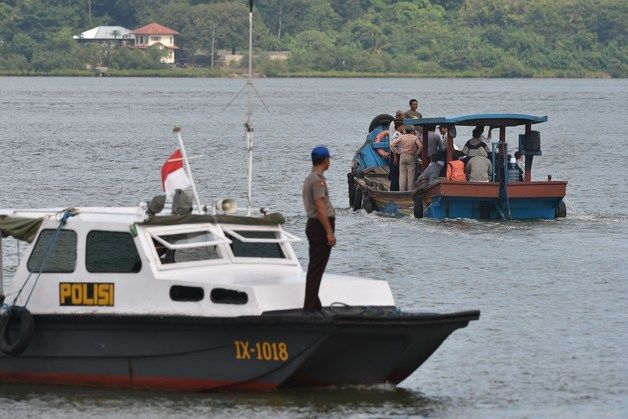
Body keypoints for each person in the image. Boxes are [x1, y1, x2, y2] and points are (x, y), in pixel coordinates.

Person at [302, 146, 336, 312]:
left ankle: (314, 304)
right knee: (317, 267)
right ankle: (310, 307)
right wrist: (329, 231)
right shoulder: (317, 180)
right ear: (325, 160)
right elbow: (320, 206)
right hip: (319, 226)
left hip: (315, 225)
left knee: (315, 266)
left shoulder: (311, 178)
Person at [390, 126, 422, 191]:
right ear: (412, 131)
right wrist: (417, 153)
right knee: (411, 175)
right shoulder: (415, 137)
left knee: (402, 175)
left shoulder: (401, 137)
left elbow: (392, 145)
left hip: (403, 156)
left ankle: (402, 190)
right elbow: (420, 146)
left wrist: (398, 151)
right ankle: (410, 191)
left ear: (406, 131)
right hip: (411, 156)